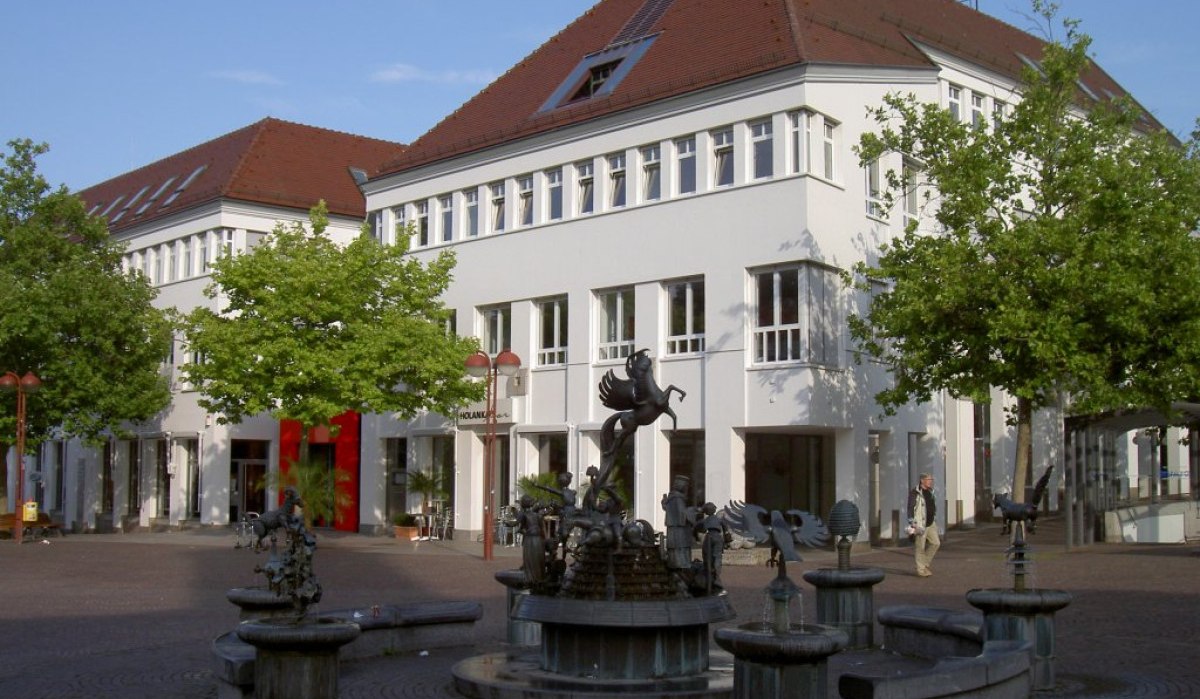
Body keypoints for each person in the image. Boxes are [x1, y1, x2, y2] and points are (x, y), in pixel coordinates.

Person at [906, 472, 940, 577]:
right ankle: (921, 570)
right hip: (920, 524)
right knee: (920, 546)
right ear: (922, 480)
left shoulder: (930, 491)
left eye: (931, 480)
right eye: (929, 479)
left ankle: (923, 563)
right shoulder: (915, 493)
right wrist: (912, 522)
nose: (931, 482)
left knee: (936, 543)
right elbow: (910, 508)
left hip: (931, 523)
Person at [661, 475, 695, 570]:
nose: (687, 489)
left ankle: (676, 565)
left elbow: (667, 508)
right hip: (679, 531)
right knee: (680, 550)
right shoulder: (678, 498)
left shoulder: (672, 497)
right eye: (686, 486)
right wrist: (693, 510)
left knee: (675, 549)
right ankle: (681, 567)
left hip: (674, 529)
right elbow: (683, 514)